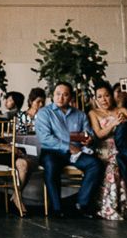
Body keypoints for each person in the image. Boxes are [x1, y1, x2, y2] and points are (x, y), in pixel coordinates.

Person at [35, 81, 103, 218]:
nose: (61, 98)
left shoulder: (80, 115)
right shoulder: (44, 113)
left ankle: (82, 204)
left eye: (65, 95)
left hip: (76, 152)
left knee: (95, 165)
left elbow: (88, 134)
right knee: (51, 165)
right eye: (58, 94)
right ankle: (56, 208)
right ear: (52, 96)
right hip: (52, 151)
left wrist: (89, 139)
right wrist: (67, 146)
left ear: (71, 97)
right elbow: (45, 138)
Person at [88, 82, 127, 220]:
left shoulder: (122, 111)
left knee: (118, 162)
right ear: (95, 99)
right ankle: (109, 207)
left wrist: (124, 123)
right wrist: (113, 124)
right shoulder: (93, 113)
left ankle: (120, 206)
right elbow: (98, 134)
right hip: (103, 149)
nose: (104, 99)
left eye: (106, 95)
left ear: (112, 96)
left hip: (122, 148)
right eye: (100, 97)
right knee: (112, 165)